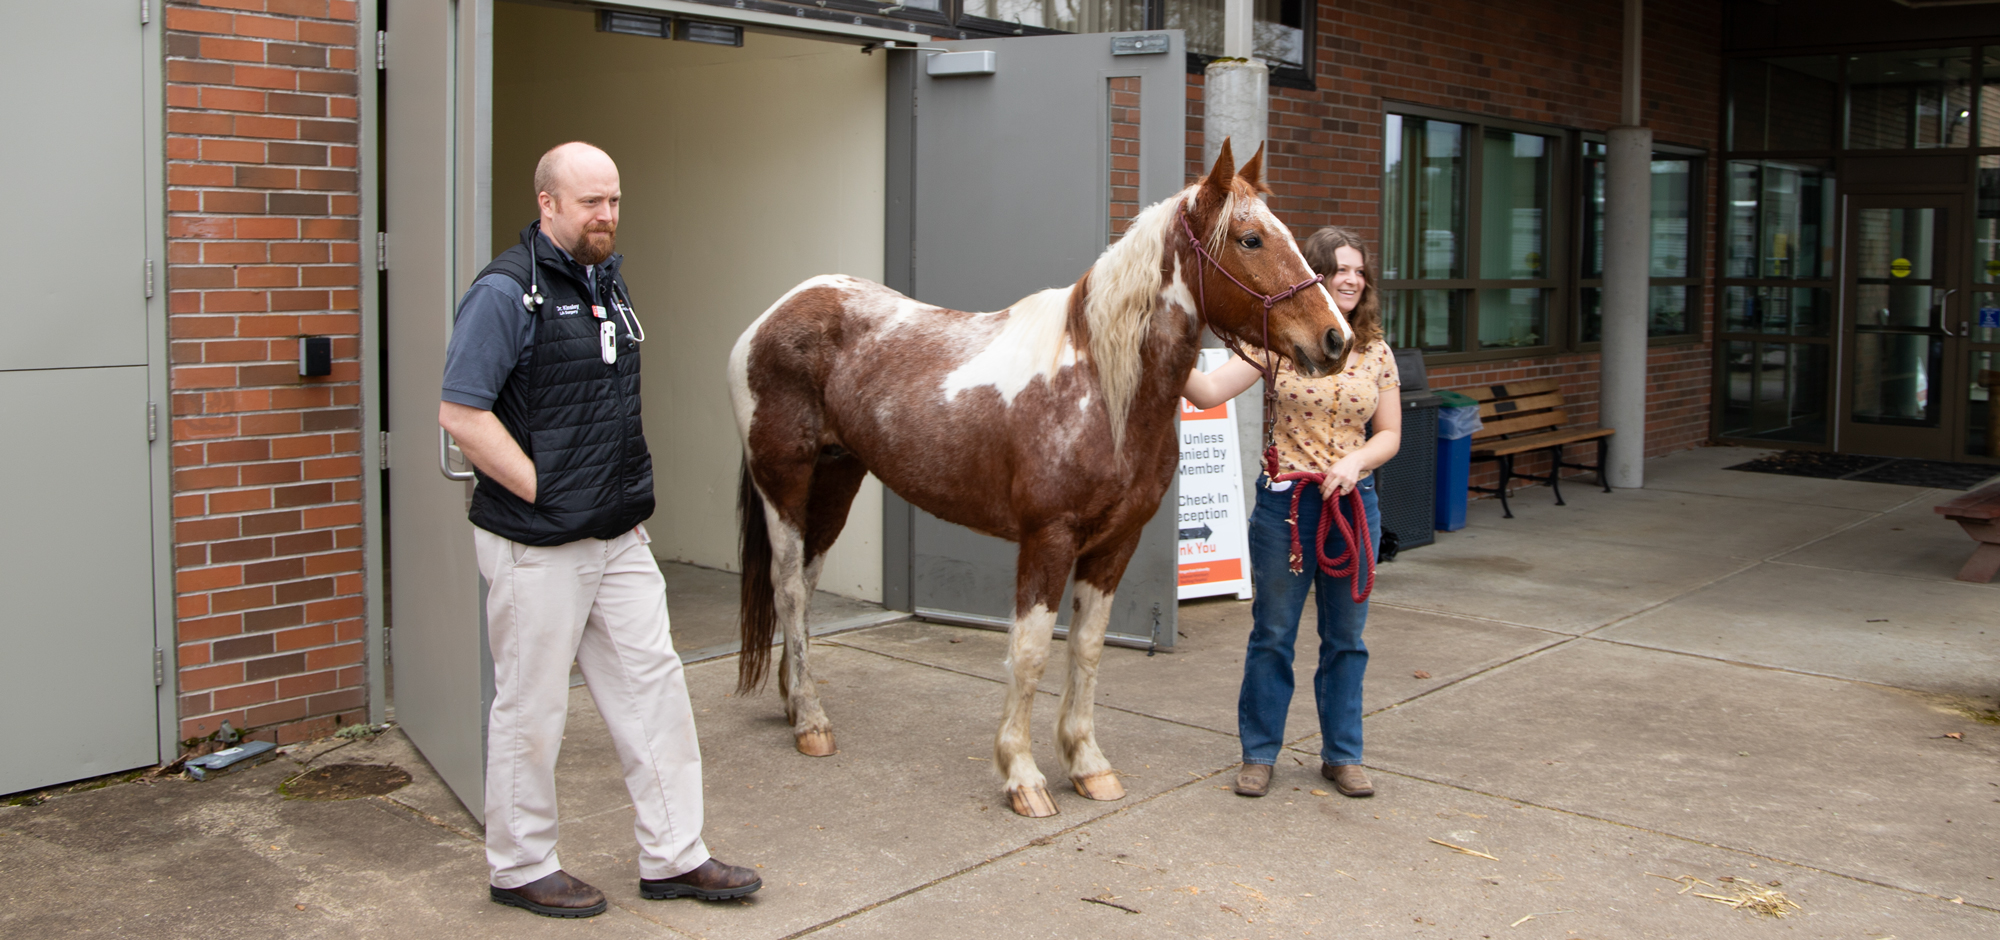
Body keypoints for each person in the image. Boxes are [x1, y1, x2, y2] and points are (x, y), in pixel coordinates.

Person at [439, 141, 761, 918]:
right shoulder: (505, 292)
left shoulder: (604, 284)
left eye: (614, 200)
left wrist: (612, 503)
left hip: (616, 535)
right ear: (547, 203)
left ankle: (675, 855)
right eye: (591, 202)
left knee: (655, 689)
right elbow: (460, 414)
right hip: (538, 544)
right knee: (532, 706)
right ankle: (520, 865)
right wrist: (543, 490)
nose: (607, 215)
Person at [1181, 226, 1401, 800]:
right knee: (1273, 634)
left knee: (1346, 639)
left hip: (1354, 508)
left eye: (1359, 271)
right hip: (1286, 507)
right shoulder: (1277, 340)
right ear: (1315, 277)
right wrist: (1156, 343)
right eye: (1339, 270)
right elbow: (1206, 392)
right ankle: (1258, 755)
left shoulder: (1376, 350)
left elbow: (1391, 434)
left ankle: (1343, 756)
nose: (1351, 279)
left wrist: (1355, 463)